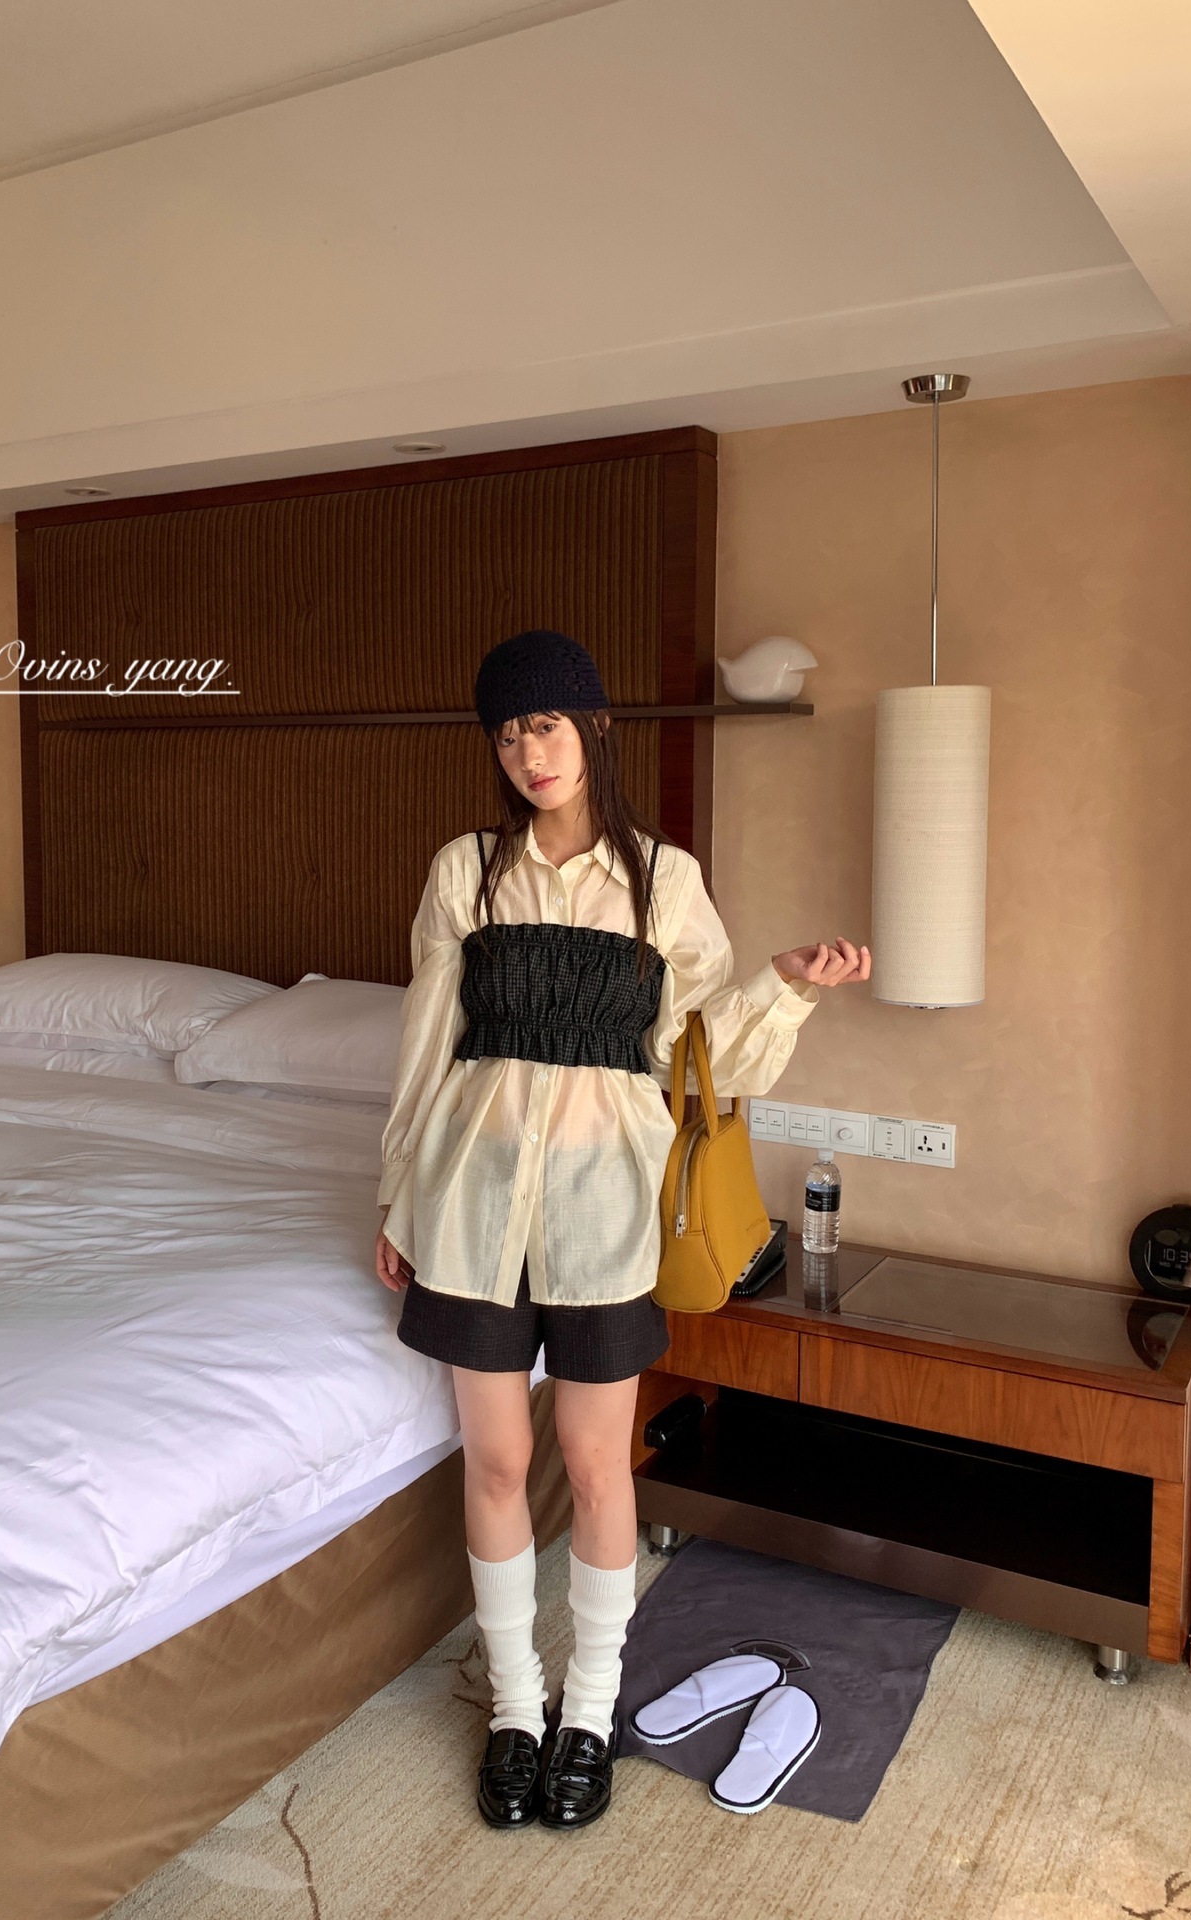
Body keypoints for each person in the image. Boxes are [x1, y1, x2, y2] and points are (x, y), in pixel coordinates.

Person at [374, 629, 869, 1833]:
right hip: (469, 1205)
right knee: (496, 1464)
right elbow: (424, 1046)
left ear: (592, 727)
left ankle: (587, 1713)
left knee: (596, 1467)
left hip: (604, 1211)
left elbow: (700, 1056)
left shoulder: (663, 883)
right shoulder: (464, 873)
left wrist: (786, 985)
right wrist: (394, 1193)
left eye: (544, 725)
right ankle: (514, 1710)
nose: (526, 753)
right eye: (506, 733)